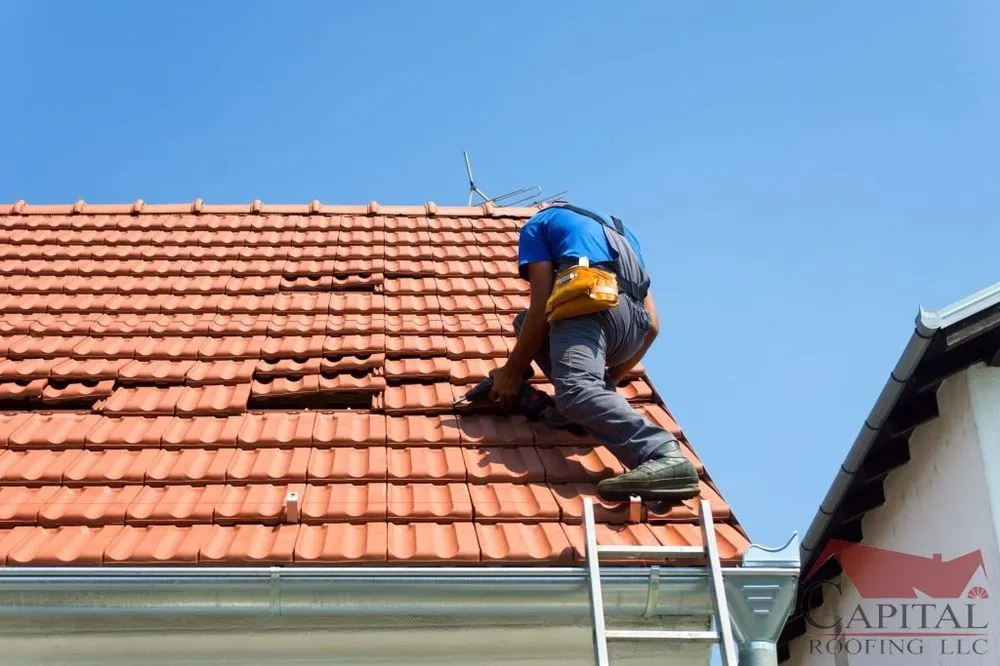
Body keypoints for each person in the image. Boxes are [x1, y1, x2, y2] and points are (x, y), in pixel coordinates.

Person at [488, 202, 700, 501]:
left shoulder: (537, 225)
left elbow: (539, 311)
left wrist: (511, 373)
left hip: (590, 308)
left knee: (574, 389)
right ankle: (585, 409)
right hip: (631, 330)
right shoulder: (621, 233)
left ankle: (662, 454)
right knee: (525, 326)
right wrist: (608, 382)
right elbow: (653, 326)